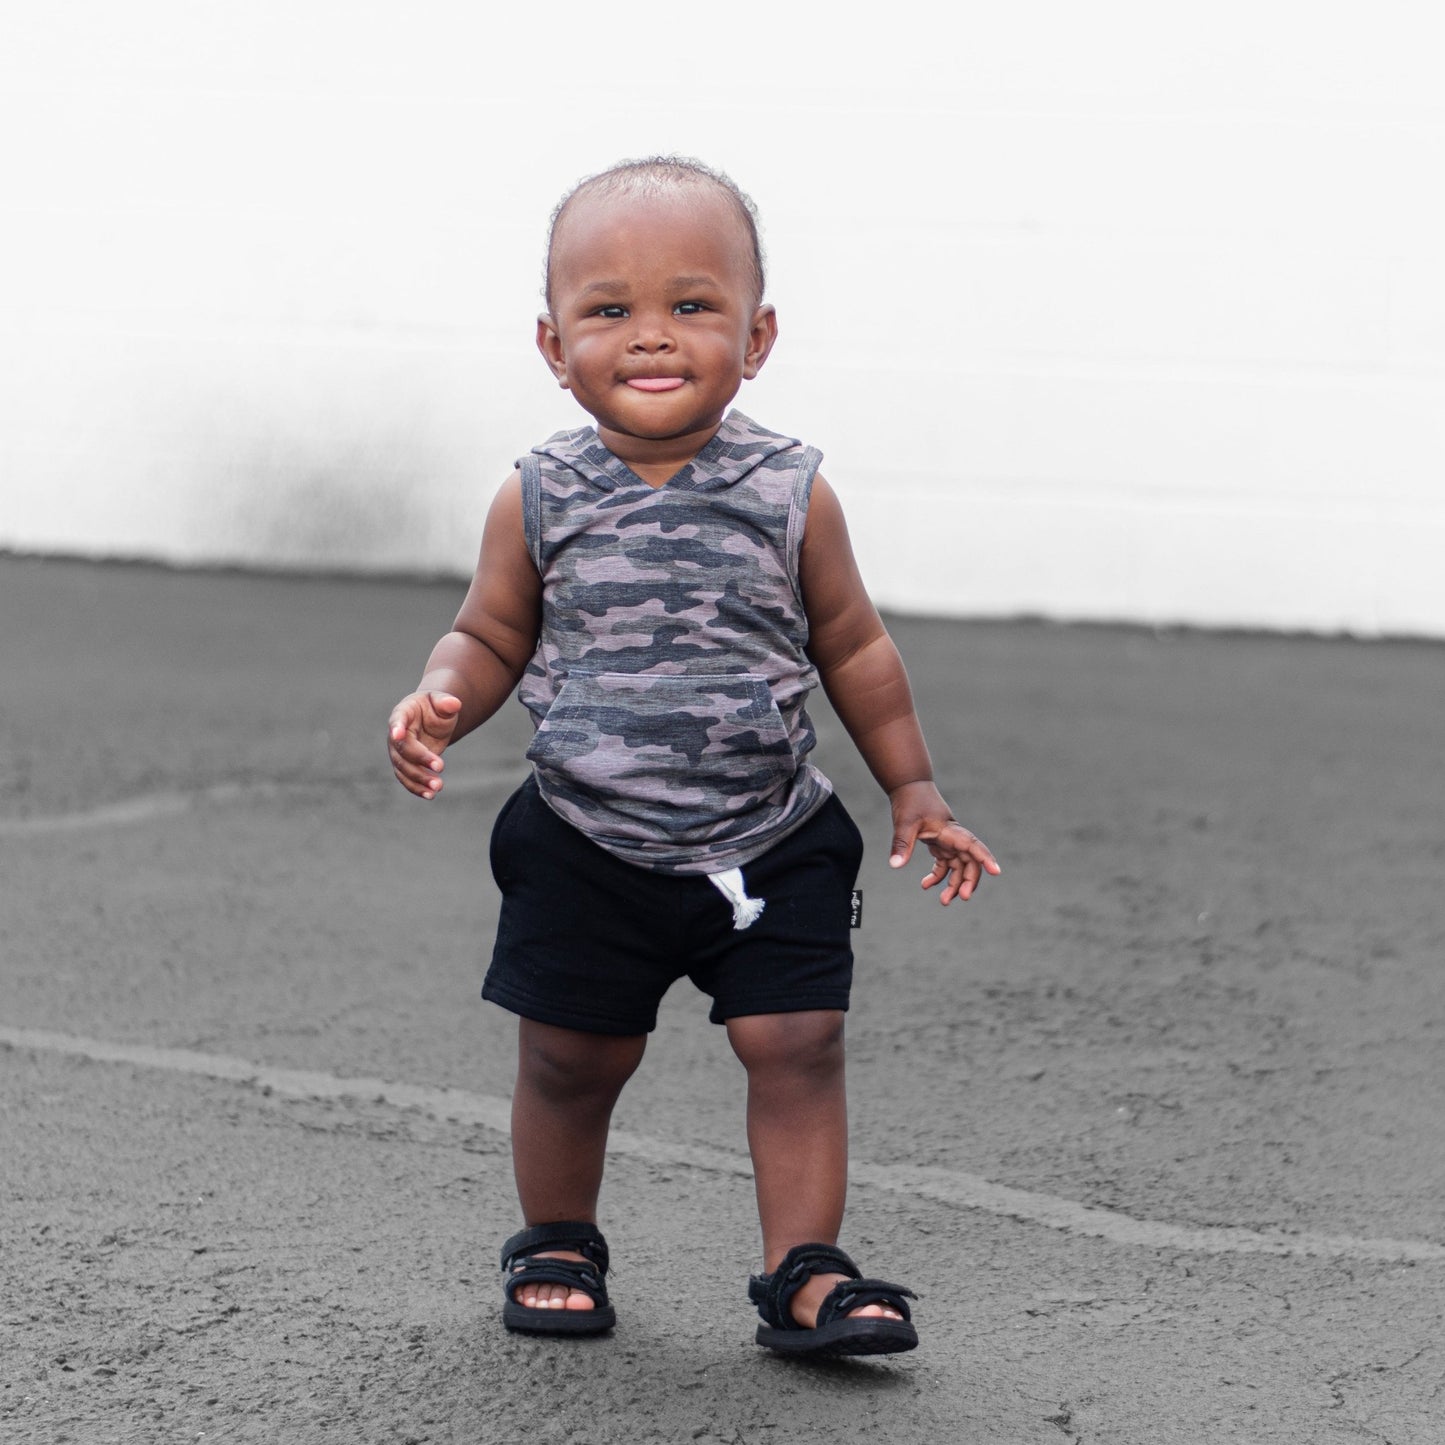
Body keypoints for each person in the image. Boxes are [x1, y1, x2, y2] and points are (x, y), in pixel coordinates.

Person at [387, 156, 1000, 1357]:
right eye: (608, 309)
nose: (651, 335)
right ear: (553, 345)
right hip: (586, 839)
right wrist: (440, 698)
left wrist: (912, 784)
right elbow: (491, 632)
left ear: (755, 336)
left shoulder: (791, 491)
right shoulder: (538, 494)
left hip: (768, 833)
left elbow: (853, 646)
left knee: (797, 1043)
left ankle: (804, 1272)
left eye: (691, 304)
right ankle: (556, 1239)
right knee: (572, 1057)